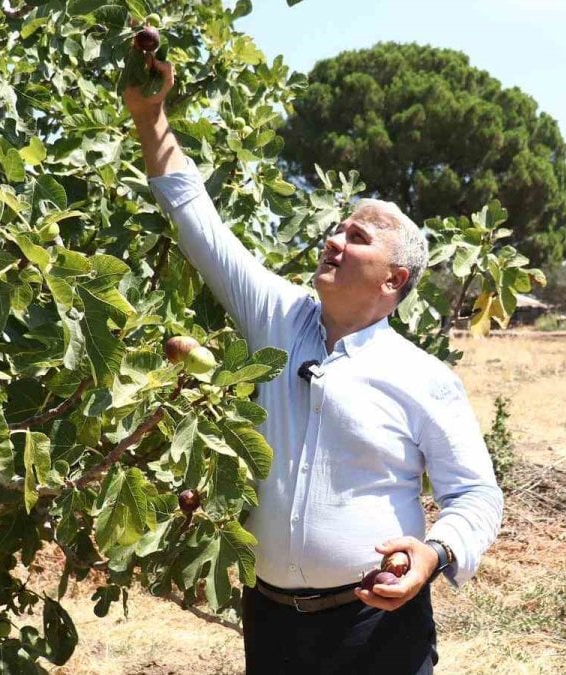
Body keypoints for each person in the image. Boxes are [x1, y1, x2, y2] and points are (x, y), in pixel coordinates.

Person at [124, 60, 502, 674]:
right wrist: (150, 116)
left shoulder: (422, 376)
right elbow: (198, 220)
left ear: (394, 280)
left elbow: (476, 494)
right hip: (272, 623)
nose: (333, 241)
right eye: (337, 229)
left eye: (357, 238)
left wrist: (433, 554)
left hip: (377, 628)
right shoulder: (279, 316)